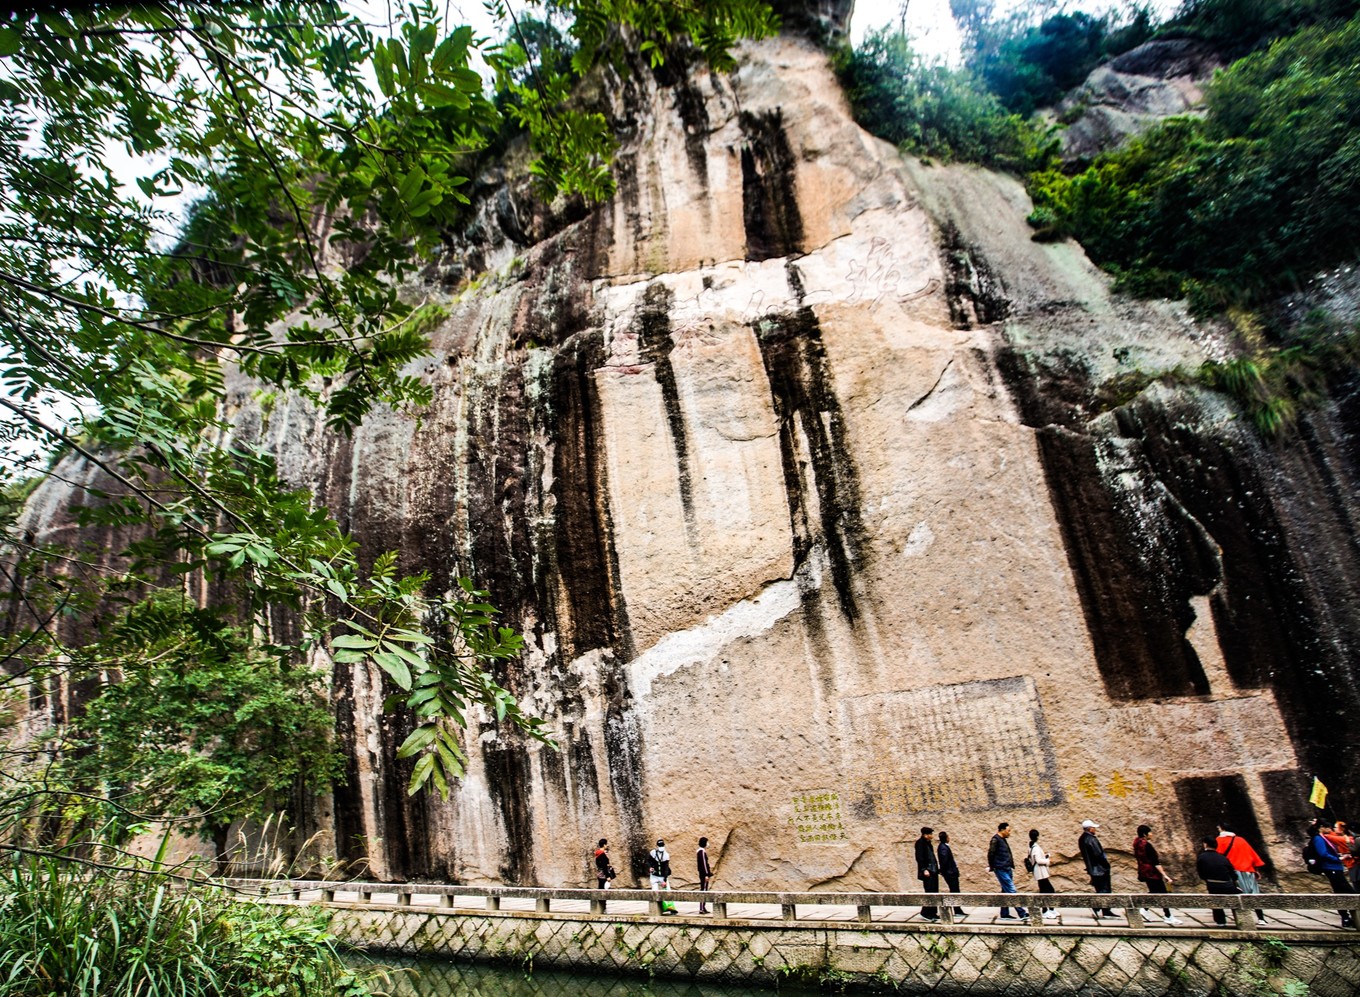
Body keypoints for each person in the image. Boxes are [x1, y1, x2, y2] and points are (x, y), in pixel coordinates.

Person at [1216, 823, 1266, 925]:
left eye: (1219, 828)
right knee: (1254, 894)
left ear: (1222, 829)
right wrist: (1256, 869)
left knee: (1237, 894)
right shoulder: (1241, 840)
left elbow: (1218, 857)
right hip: (1248, 870)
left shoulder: (1219, 841)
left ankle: (1243, 919)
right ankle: (1261, 918)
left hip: (1232, 872)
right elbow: (1251, 854)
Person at [1134, 824, 1182, 925]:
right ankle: (1167, 916)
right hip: (1152, 872)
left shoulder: (1137, 843)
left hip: (1144, 871)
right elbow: (1155, 862)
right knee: (1162, 893)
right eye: (1150, 832)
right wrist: (1165, 875)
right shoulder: (1147, 845)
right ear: (1145, 834)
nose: (1151, 834)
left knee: (1154, 892)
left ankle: (1145, 910)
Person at [1310, 820, 1355, 929]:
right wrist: (1338, 858)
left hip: (1335, 867)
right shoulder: (1318, 838)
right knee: (1349, 892)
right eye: (1328, 827)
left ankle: (1346, 918)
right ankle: (1346, 916)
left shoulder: (1324, 837)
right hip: (1331, 867)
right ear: (1321, 827)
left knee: (1341, 892)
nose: (1330, 830)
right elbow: (1323, 854)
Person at [987, 822, 1028, 920]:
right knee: (1011, 889)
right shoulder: (995, 840)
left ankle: (1004, 914)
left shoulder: (1003, 839)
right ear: (1002, 830)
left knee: (1005, 891)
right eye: (1008, 831)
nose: (1009, 833)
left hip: (1007, 868)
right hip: (1001, 868)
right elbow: (990, 854)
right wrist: (992, 867)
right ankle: (1022, 913)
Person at [1196, 837, 1239, 926]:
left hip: (1213, 884)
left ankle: (1220, 921)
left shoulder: (1202, 857)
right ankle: (1238, 918)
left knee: (1215, 902)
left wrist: (1207, 879)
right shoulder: (1222, 857)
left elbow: (1201, 873)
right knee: (1233, 901)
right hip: (1228, 885)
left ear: (1205, 844)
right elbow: (1232, 873)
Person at [1078, 820, 1116, 918]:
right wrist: (1106, 865)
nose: (1095, 829)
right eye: (1094, 827)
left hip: (1092, 869)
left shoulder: (1082, 838)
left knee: (1100, 889)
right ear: (1090, 828)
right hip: (1099, 869)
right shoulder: (1091, 839)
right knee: (1104, 889)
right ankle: (1100, 908)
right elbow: (1099, 854)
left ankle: (1103, 909)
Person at [1028, 829, 1058, 919]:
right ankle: (1046, 910)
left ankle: (1049, 910)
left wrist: (1044, 856)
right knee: (1049, 890)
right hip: (1040, 871)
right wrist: (1047, 860)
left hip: (1039, 871)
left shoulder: (1032, 846)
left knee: (1044, 890)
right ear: (1037, 836)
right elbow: (1038, 860)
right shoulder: (1036, 847)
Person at [915, 827, 940, 922]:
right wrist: (924, 869)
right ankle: (926, 912)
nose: (932, 836)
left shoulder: (928, 843)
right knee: (929, 891)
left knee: (934, 891)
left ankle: (932, 912)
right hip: (928, 871)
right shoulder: (920, 843)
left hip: (933, 871)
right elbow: (919, 858)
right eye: (930, 834)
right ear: (925, 834)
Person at [937, 831, 965, 916]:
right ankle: (957, 910)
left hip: (950, 872)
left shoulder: (943, 847)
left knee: (955, 890)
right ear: (946, 838)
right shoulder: (943, 848)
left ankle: (958, 910)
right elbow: (944, 861)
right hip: (950, 873)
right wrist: (944, 871)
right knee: (954, 891)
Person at [648, 839, 677, 915]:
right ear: (657, 846)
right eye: (660, 846)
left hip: (662, 876)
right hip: (654, 875)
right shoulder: (652, 853)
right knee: (655, 891)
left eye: (662, 846)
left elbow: (666, 868)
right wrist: (650, 867)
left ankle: (671, 908)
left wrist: (664, 880)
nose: (661, 847)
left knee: (668, 891)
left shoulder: (666, 855)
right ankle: (656, 908)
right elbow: (648, 861)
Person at [696, 836, 714, 914]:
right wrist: (707, 874)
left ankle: (703, 907)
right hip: (704, 874)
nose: (708, 844)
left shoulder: (700, 852)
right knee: (704, 890)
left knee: (704, 889)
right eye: (707, 842)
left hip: (702, 873)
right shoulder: (702, 852)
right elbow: (704, 864)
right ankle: (701, 908)